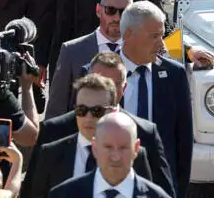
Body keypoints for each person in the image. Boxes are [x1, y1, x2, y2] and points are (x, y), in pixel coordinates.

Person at [22, 74, 170, 198]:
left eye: (97, 111)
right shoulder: (52, 156)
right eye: (81, 110)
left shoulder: (135, 156)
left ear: (112, 111)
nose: (88, 117)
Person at [117, 1, 193, 196]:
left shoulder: (174, 75)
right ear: (127, 35)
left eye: (162, 35)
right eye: (154, 37)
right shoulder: (100, 72)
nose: (162, 44)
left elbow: (183, 142)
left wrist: (178, 191)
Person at [46, 0, 133, 118]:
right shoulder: (72, 51)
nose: (117, 18)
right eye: (110, 10)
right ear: (98, 10)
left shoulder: (140, 50)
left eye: (123, 12)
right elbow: (56, 109)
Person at [48, 111, 172, 198]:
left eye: (123, 148)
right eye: (108, 147)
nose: (115, 156)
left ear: (136, 149)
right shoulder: (63, 194)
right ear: (95, 147)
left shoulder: (158, 196)